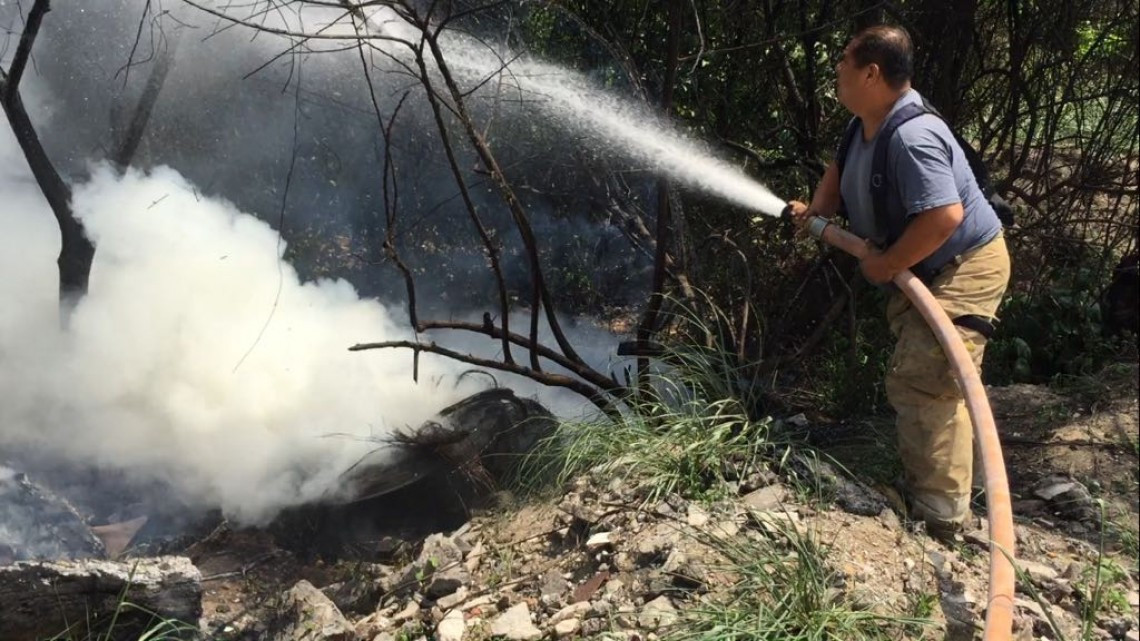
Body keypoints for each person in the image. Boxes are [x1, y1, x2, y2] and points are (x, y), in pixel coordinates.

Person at [786, 25, 1010, 538]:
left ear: (871, 72)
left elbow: (943, 218)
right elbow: (840, 168)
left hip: (964, 265)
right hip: (926, 266)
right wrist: (818, 212)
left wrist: (885, 266)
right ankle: (941, 488)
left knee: (925, 380)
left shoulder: (912, 136)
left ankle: (942, 517)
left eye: (845, 61)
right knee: (928, 375)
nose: (837, 69)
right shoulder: (864, 121)